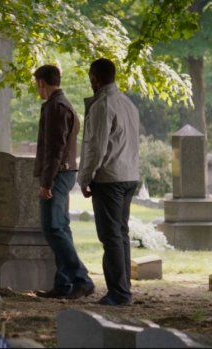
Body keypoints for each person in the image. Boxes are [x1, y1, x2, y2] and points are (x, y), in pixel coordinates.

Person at [78, 58, 140, 306]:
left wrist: (85, 177)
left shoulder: (103, 105)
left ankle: (119, 292)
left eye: (90, 78)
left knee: (111, 236)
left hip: (110, 177)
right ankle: (124, 287)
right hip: (129, 175)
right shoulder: (128, 103)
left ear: (95, 78)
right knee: (121, 234)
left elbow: (97, 146)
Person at [31, 65, 95, 300]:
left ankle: (81, 279)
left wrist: (46, 182)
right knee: (62, 227)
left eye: (36, 84)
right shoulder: (63, 104)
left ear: (41, 83)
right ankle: (64, 284)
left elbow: (55, 149)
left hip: (58, 174)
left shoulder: (56, 107)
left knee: (53, 228)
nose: (36, 89)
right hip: (64, 172)